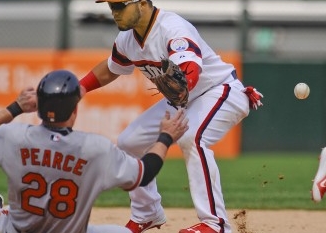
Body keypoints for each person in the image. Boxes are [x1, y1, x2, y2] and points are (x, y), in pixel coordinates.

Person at [78, 1, 264, 233]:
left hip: (220, 90)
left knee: (192, 138)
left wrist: (182, 88)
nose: (114, 12)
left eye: (119, 5)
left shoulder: (173, 29)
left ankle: (215, 224)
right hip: (183, 100)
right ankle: (147, 213)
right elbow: (111, 68)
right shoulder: (127, 40)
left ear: (143, 4)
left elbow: (190, 72)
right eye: (111, 6)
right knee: (129, 141)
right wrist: (80, 88)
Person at [0, 69, 188, 233]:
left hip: (19, 230)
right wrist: (165, 137)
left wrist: (16, 107)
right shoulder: (96, 149)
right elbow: (146, 172)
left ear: (39, 106)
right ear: (75, 110)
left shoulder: (13, 136)